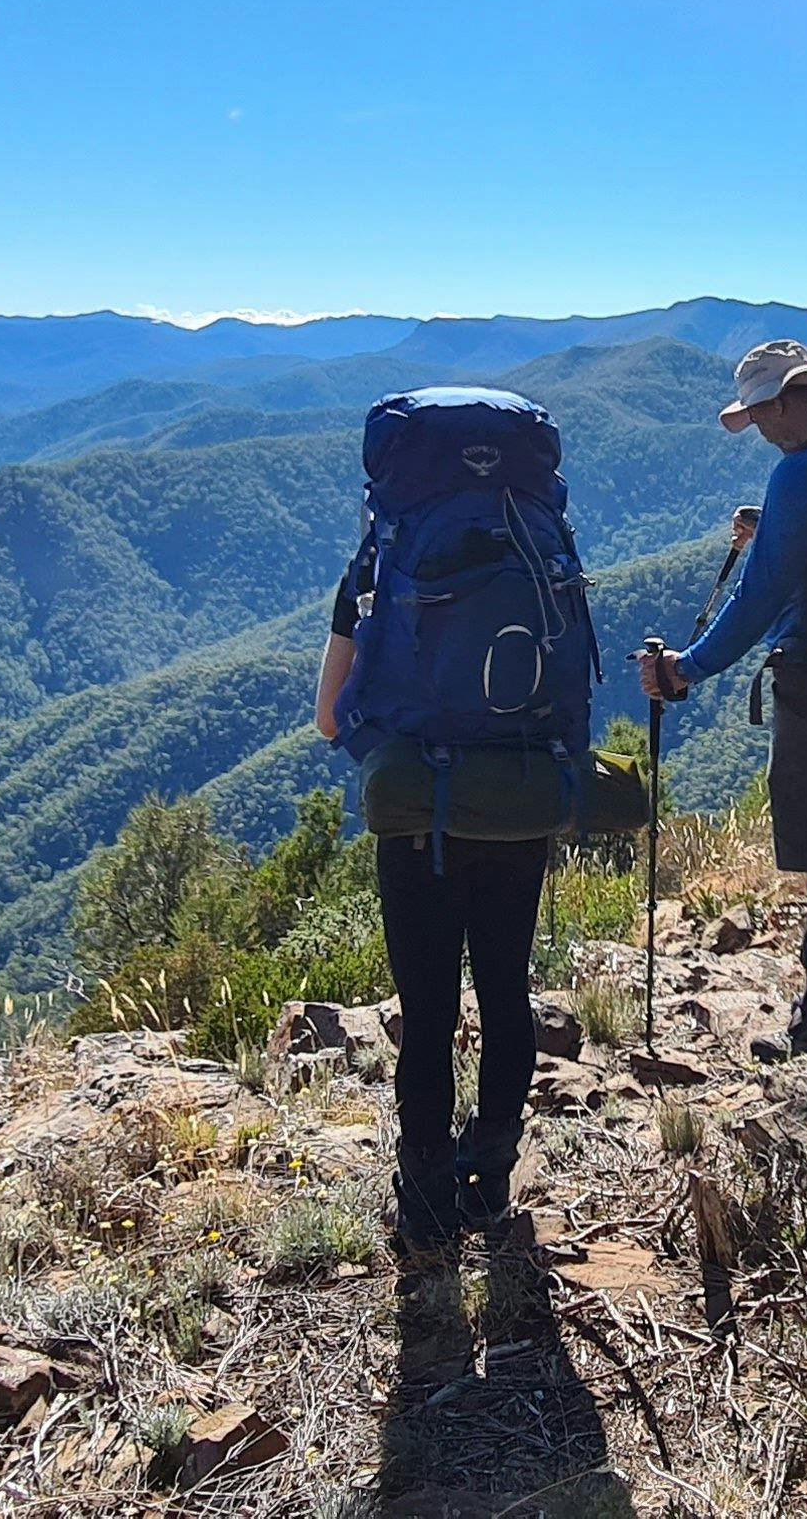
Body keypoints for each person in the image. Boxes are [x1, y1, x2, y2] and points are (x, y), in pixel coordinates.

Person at [317, 387, 594, 1243]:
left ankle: (426, 1186)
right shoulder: (540, 543)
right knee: (508, 992)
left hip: (416, 820)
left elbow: (330, 719)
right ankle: (493, 1172)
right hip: (523, 802)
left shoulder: (377, 565)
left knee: (428, 1005)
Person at [637, 339, 807, 1058]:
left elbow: (761, 596)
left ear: (784, 399)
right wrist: (774, 532)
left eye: (759, 414)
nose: (758, 429)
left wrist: (687, 668)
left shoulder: (802, 475)